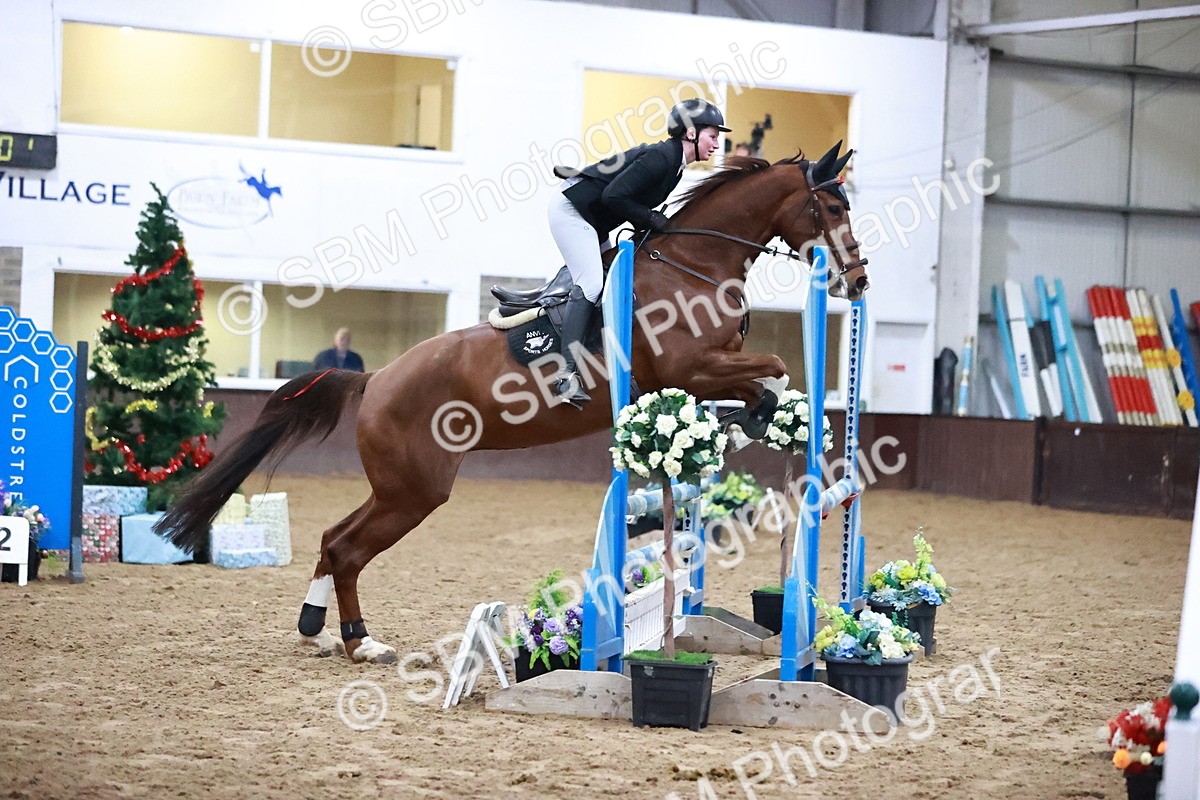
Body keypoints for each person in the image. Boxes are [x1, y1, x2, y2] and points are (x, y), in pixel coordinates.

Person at [547, 98, 731, 409]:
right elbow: (614, 195)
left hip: (595, 221)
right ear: (690, 133)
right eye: (712, 135)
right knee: (591, 284)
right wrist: (651, 218)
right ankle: (565, 376)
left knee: (614, 288)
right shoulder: (661, 158)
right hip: (572, 212)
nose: (716, 143)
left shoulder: (676, 166)